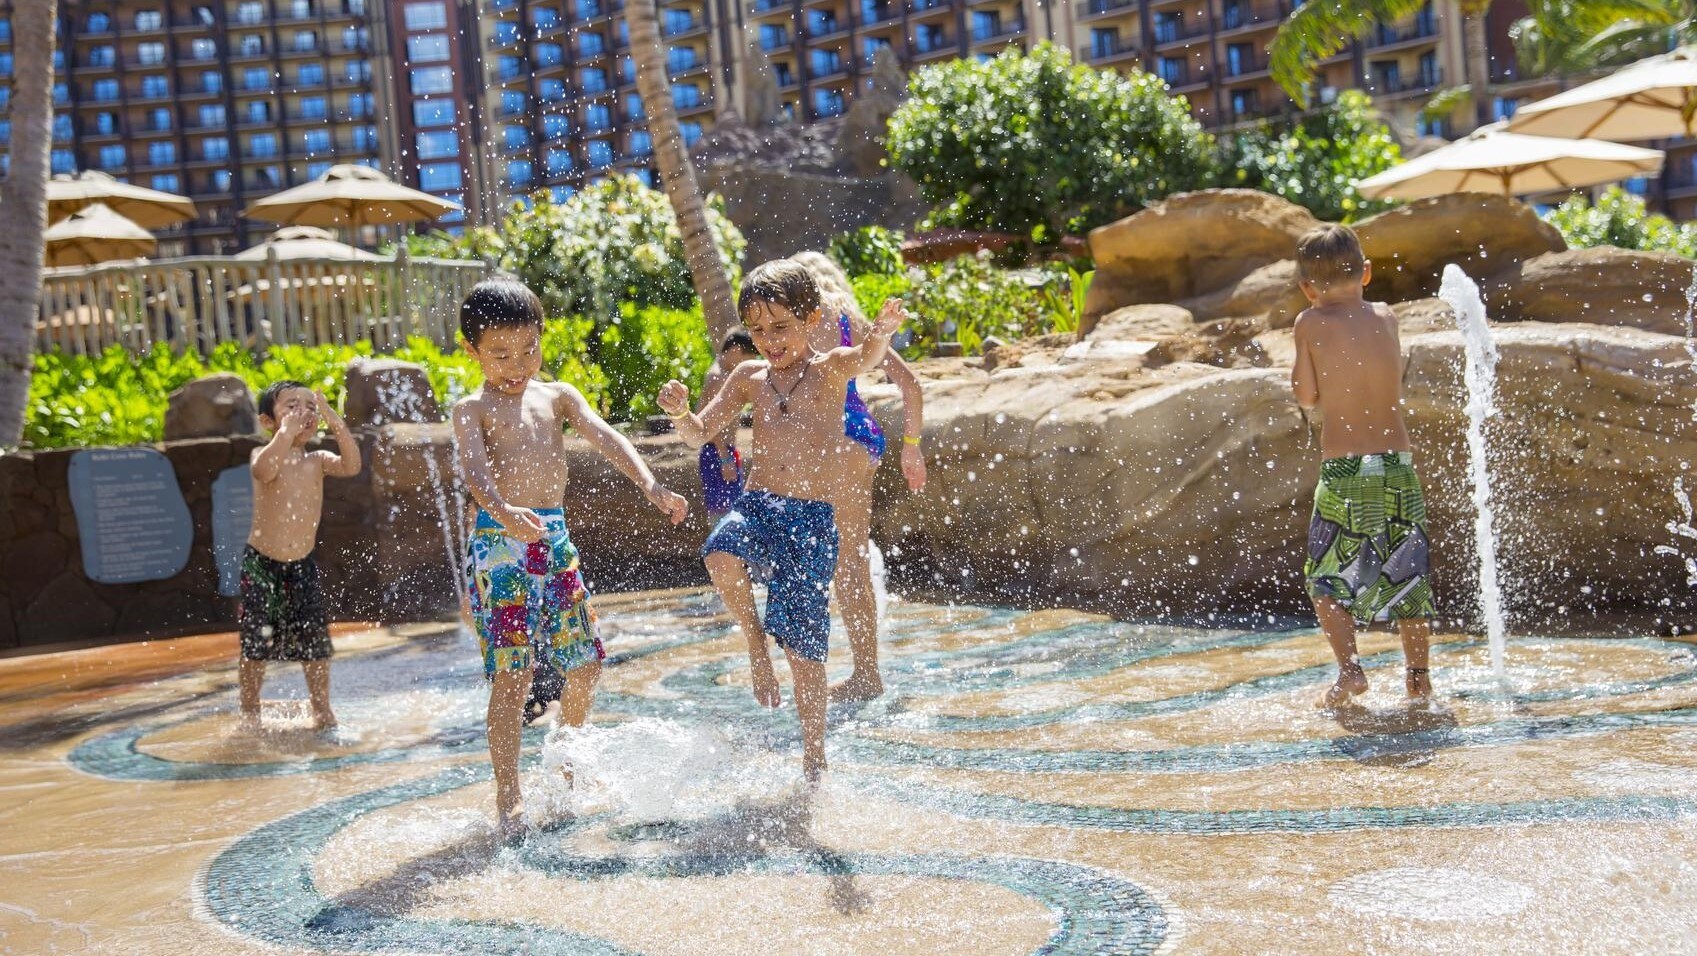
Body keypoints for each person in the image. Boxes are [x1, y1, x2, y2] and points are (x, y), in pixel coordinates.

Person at [453, 275, 689, 835]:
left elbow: (606, 436)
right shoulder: (471, 408)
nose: (518, 365)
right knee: (514, 672)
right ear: (473, 351)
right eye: (501, 354)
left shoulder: (555, 395)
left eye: (529, 348)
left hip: (552, 537)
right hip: (499, 543)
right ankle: (507, 796)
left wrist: (652, 486)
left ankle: (565, 762)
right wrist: (504, 510)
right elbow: (475, 471)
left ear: (541, 336)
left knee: (585, 661)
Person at [657, 259, 906, 780]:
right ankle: (754, 648)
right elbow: (700, 432)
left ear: (812, 318)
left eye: (781, 328)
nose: (769, 341)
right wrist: (682, 412)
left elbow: (868, 356)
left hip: (811, 520)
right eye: (758, 330)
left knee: (804, 649)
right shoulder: (750, 377)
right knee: (720, 553)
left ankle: (814, 756)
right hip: (758, 506)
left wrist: (881, 333)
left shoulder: (831, 368)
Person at [1290, 224, 1437, 708]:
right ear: (1367, 274)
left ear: (1308, 287)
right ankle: (1418, 678)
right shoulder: (1387, 317)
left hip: (1345, 470)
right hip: (1397, 463)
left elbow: (1307, 395)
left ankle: (1351, 671)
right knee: (1408, 573)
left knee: (1325, 575)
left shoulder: (1309, 322)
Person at [793, 251, 927, 704]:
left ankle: (863, 675)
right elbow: (911, 384)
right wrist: (912, 448)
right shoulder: (851, 319)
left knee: (838, 561)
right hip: (860, 437)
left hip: (829, 439)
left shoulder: (798, 320)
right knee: (847, 556)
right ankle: (864, 670)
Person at [239, 381, 362, 733]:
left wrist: (334, 421)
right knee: (255, 644)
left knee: (315, 642)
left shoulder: (317, 460)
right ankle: (250, 711)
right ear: (268, 421)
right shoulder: (264, 456)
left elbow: (352, 465)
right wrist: (285, 435)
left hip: (302, 564)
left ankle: (321, 709)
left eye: (310, 406)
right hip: (262, 564)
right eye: (291, 406)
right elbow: (263, 471)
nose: (303, 413)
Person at [697, 329, 760, 522]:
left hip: (722, 451)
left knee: (729, 511)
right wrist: (724, 457)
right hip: (717, 452)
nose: (746, 365)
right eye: (746, 357)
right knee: (724, 515)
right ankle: (719, 550)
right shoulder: (718, 378)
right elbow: (703, 421)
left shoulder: (721, 372)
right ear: (735, 350)